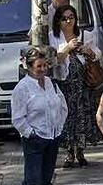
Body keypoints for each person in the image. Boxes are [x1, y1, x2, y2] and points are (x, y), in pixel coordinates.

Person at [49, 5, 102, 168]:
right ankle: (69, 154)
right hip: (64, 86)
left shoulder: (85, 35)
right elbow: (52, 61)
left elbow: (97, 54)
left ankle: (80, 151)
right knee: (67, 119)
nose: (68, 21)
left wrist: (87, 51)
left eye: (71, 17)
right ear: (58, 20)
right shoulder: (52, 37)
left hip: (83, 86)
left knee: (82, 118)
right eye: (64, 18)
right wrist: (67, 48)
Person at [12, 47, 68, 185]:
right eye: (39, 66)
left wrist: (59, 128)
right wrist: (31, 134)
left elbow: (62, 106)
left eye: (45, 65)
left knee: (46, 178)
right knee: (34, 180)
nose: (43, 69)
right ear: (29, 67)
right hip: (34, 140)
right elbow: (18, 118)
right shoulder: (22, 88)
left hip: (53, 138)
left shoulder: (50, 83)